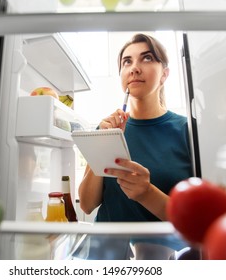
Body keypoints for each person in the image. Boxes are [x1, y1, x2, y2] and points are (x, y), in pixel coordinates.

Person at [78, 33, 194, 259]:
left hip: (161, 258)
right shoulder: (106, 129)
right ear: (121, 74)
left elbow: (192, 222)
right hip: (105, 256)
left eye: (147, 58)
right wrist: (103, 143)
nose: (135, 68)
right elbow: (87, 204)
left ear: (164, 74)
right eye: (127, 62)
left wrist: (146, 193)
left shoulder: (187, 132)